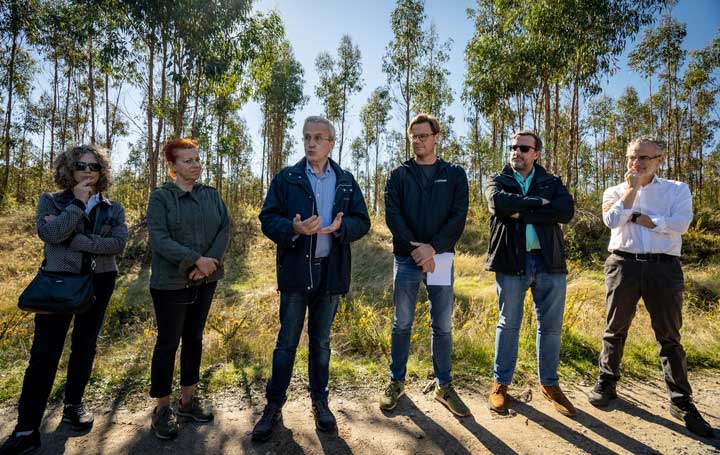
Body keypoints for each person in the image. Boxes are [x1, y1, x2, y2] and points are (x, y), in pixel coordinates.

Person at [0, 145, 128, 455]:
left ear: (102, 173)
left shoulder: (113, 207)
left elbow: (118, 244)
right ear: (68, 169)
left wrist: (79, 240)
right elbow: (52, 234)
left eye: (94, 166)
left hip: (100, 280)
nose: (87, 171)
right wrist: (77, 205)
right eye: (81, 165)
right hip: (58, 283)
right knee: (44, 353)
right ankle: (27, 429)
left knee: (85, 345)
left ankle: (73, 404)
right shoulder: (52, 201)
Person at [252, 116, 370, 442]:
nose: (311, 143)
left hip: (330, 274)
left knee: (321, 345)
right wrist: (294, 228)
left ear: (332, 143)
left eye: (319, 137)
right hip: (294, 273)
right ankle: (273, 406)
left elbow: (363, 221)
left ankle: (320, 403)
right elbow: (267, 219)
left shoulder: (346, 180)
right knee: (286, 344)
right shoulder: (287, 178)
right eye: (307, 137)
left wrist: (341, 228)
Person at [588, 136, 714, 437]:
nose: (638, 163)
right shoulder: (615, 190)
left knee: (669, 336)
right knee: (614, 328)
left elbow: (680, 224)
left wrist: (642, 218)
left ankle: (681, 401)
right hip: (623, 265)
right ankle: (607, 382)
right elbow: (612, 220)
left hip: (663, 268)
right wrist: (631, 194)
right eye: (633, 157)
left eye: (645, 157)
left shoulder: (677, 189)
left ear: (660, 159)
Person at [379, 113, 471, 417]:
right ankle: (396, 382)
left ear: (436, 137)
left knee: (442, 325)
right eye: (413, 137)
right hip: (406, 259)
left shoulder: (455, 174)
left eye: (423, 136)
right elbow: (393, 216)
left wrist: (434, 248)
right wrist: (417, 251)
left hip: (441, 258)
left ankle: (444, 386)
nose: (418, 141)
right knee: (401, 322)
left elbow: (458, 216)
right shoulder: (398, 175)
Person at [485, 130, 576, 417]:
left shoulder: (551, 182)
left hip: (549, 262)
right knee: (507, 324)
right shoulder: (498, 180)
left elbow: (566, 211)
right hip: (511, 261)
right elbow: (498, 204)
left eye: (524, 148)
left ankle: (550, 384)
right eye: (513, 147)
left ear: (536, 153)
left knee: (550, 327)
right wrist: (540, 205)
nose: (517, 152)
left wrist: (520, 210)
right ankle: (500, 384)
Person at [145, 138, 230, 440]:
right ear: (172, 166)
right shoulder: (161, 198)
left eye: (197, 159)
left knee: (194, 339)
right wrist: (195, 260)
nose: (195, 165)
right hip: (170, 284)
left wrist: (209, 263)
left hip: (206, 281)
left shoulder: (211, 196)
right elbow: (159, 238)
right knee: (168, 343)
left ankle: (187, 401)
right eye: (188, 160)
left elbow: (224, 229)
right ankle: (162, 408)